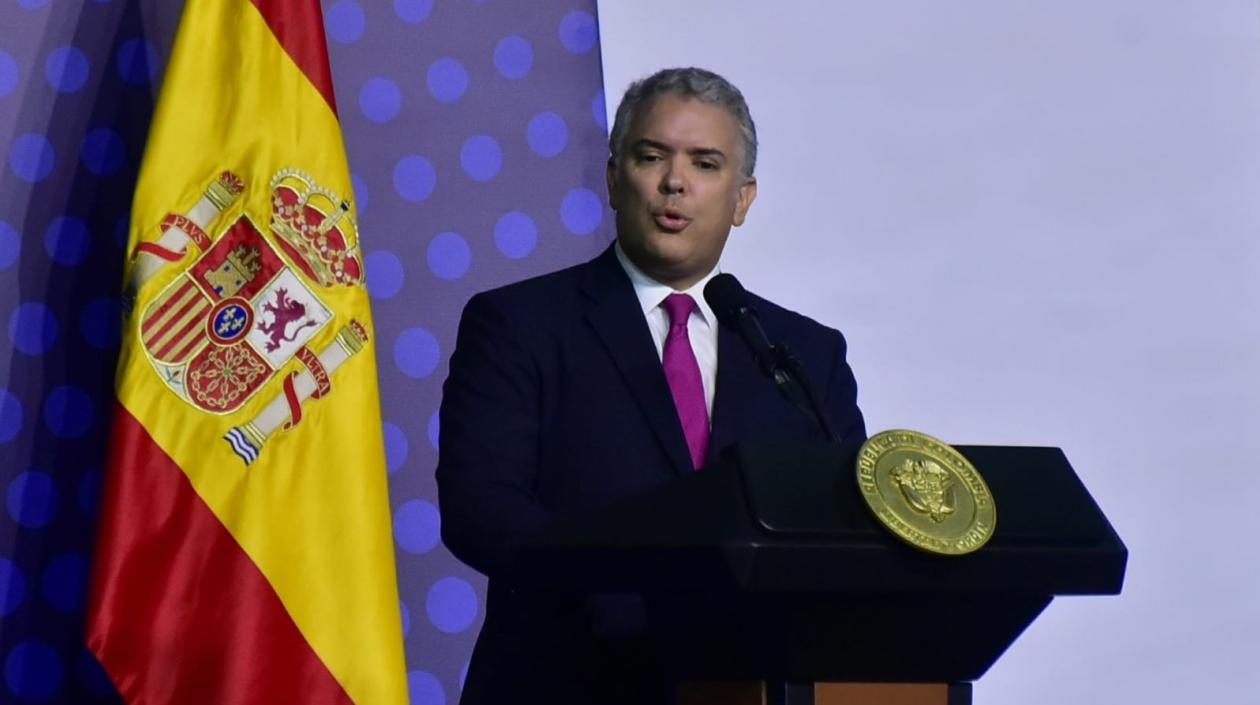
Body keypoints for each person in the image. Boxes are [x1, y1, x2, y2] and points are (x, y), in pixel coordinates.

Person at [436, 67, 866, 705]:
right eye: (651, 156)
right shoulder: (519, 324)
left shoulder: (804, 353)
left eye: (706, 163)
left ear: (742, 199)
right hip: (566, 681)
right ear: (613, 178)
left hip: (752, 685)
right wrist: (637, 597)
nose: (675, 182)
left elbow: (843, 528)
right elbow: (481, 513)